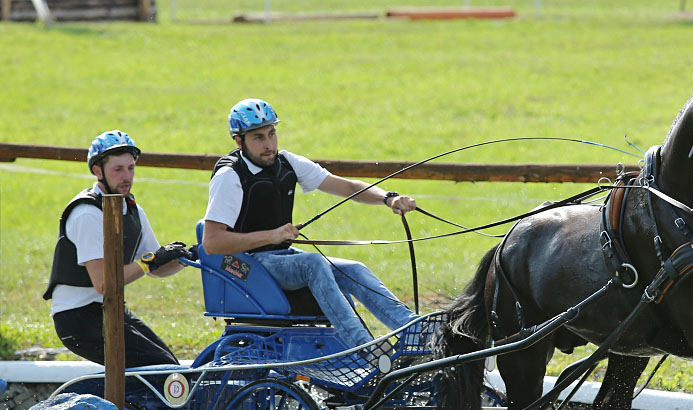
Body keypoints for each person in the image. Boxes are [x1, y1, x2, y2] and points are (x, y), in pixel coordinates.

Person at [202, 98, 418, 348]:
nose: (269, 144)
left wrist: (388, 198)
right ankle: (364, 349)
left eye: (272, 134)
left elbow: (347, 186)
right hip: (245, 264)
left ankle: (413, 330)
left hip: (281, 256)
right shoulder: (229, 177)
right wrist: (271, 236)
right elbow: (212, 242)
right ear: (239, 141)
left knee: (354, 269)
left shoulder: (287, 163)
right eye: (258, 138)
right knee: (313, 263)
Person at [44, 130, 192, 367]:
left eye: (131, 168)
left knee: (169, 365)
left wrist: (186, 257)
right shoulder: (86, 213)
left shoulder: (133, 209)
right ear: (97, 171)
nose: (127, 177)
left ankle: (132, 405)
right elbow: (105, 283)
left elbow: (156, 269)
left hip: (108, 308)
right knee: (159, 367)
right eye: (118, 169)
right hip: (76, 318)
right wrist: (149, 261)